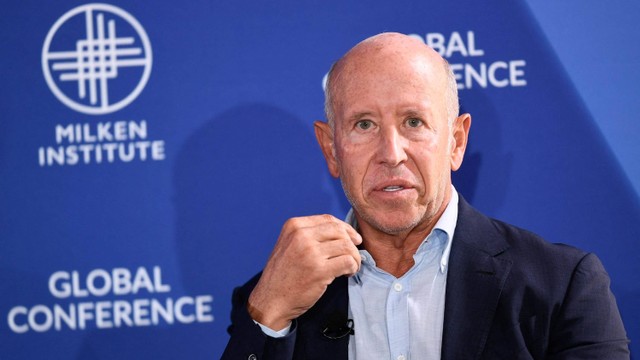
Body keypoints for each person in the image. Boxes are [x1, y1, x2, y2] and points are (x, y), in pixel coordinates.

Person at [221, 32, 629, 359]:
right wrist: (266, 317)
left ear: (456, 141)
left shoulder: (563, 287)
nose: (391, 154)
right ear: (331, 149)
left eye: (413, 122)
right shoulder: (270, 297)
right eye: (364, 125)